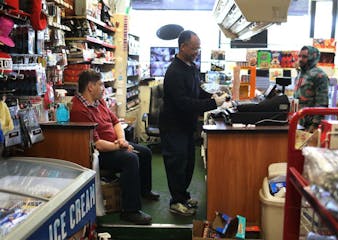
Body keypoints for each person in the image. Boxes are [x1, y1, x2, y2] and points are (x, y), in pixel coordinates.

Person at [70, 69, 159, 225]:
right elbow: (97, 144)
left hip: (115, 144)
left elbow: (116, 122)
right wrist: (120, 147)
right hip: (100, 153)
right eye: (100, 84)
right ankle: (130, 210)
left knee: (145, 152)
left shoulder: (100, 101)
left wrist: (122, 140)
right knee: (130, 159)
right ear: (90, 87)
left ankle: (144, 191)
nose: (103, 88)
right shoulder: (79, 110)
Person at [159, 30, 226, 216]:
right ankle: (176, 202)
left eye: (198, 48)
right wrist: (212, 104)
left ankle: (184, 196)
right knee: (176, 165)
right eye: (194, 48)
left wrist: (213, 96)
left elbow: (196, 92)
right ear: (182, 47)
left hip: (187, 126)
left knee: (188, 164)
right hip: (173, 126)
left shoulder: (191, 67)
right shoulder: (174, 72)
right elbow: (183, 103)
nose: (197, 51)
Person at [294, 45, 329, 132]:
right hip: (298, 120)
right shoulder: (301, 73)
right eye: (300, 56)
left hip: (310, 123)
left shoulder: (320, 75)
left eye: (305, 57)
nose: (301, 59)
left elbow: (322, 102)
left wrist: (315, 124)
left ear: (312, 57)